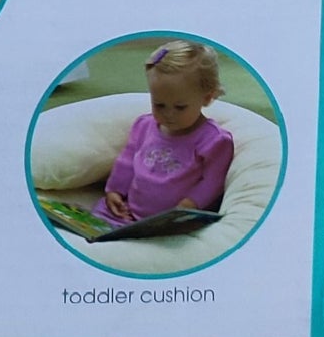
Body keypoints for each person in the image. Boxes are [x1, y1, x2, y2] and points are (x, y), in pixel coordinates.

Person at [96, 41, 234, 226]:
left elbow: (213, 182)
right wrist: (114, 191)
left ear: (207, 98)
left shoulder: (214, 140)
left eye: (180, 107)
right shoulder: (144, 125)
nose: (169, 114)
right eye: (159, 105)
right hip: (129, 213)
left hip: (175, 219)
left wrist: (188, 205)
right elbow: (127, 161)